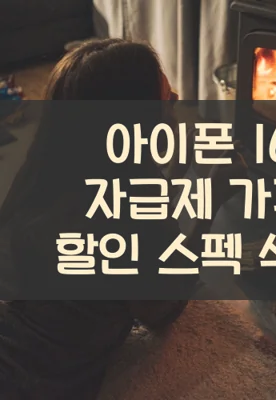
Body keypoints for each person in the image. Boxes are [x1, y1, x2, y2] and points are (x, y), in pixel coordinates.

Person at [0, 39, 246, 399]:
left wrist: (177, 170)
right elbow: (167, 303)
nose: (177, 99)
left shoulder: (44, 178)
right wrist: (211, 199)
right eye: (165, 98)